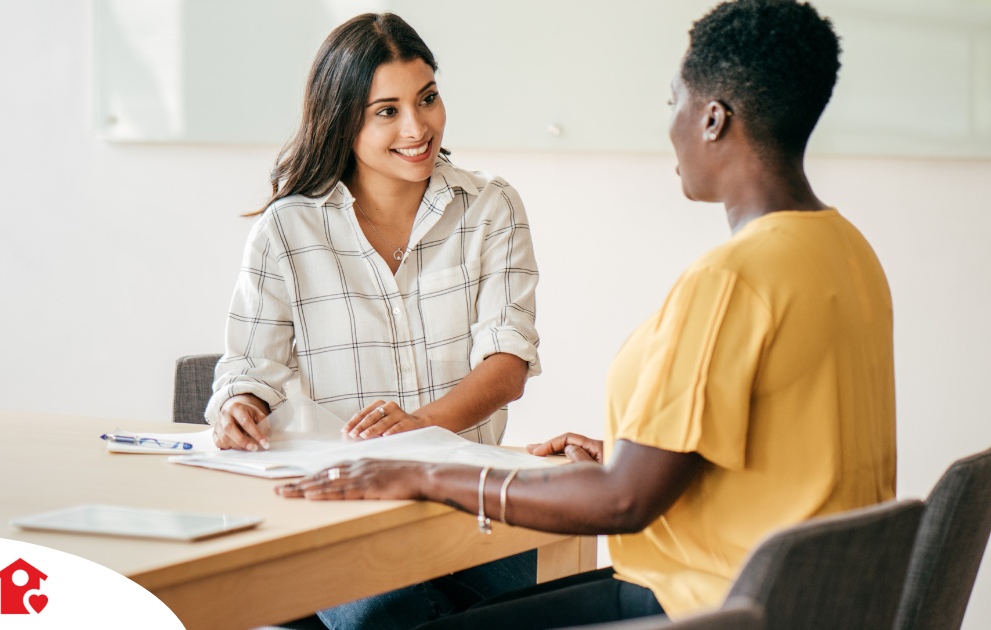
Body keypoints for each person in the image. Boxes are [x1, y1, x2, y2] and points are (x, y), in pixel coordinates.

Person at [277, 1, 897, 628]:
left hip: (704, 605)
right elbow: (784, 452)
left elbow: (623, 504)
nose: (671, 125)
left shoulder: (731, 280)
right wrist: (627, 456)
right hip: (808, 600)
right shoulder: (846, 251)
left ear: (712, 119)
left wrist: (426, 475)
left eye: (673, 102)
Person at [205, 13, 542, 630]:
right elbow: (249, 368)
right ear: (342, 120)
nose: (418, 128)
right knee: (388, 616)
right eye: (386, 111)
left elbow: (507, 366)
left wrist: (418, 429)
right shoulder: (286, 230)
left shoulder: (491, 207)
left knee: (522, 607)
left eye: (428, 99)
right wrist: (241, 404)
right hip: (342, 511)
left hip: (469, 506)